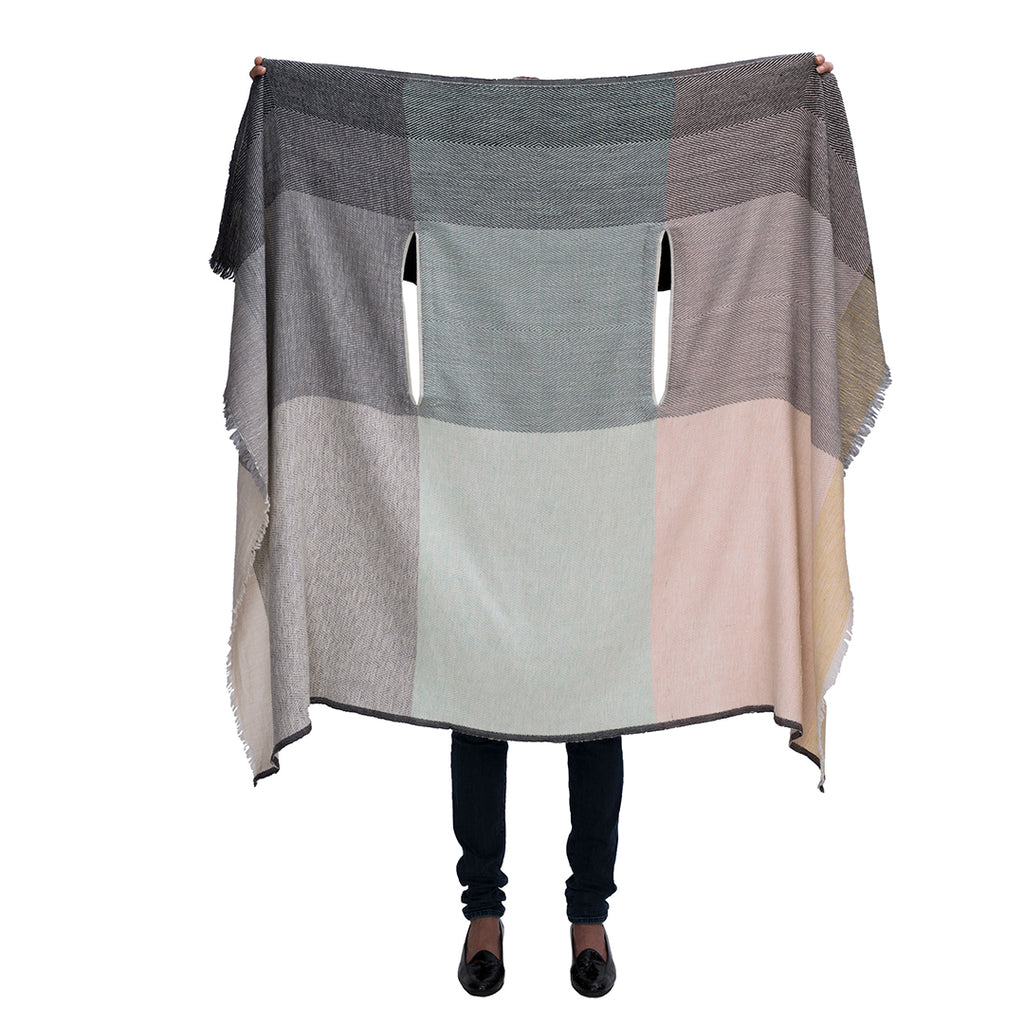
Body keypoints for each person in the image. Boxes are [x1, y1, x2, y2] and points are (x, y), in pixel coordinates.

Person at [241, 51, 836, 998]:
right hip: (473, 486)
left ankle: (588, 914)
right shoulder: (453, 235)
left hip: (602, 487)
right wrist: (295, 106)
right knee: (478, 696)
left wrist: (788, 104)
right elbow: (382, 234)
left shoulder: (620, 231)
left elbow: (684, 246)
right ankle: (483, 911)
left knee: (594, 702)